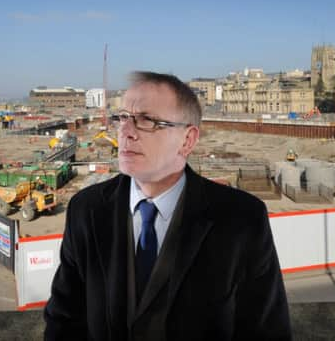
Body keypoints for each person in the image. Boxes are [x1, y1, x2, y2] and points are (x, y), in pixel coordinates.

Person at [45, 71, 291, 340]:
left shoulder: (242, 219)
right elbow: (64, 319)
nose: (125, 133)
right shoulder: (86, 209)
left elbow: (267, 330)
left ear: (187, 140)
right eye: (123, 118)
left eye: (147, 121)